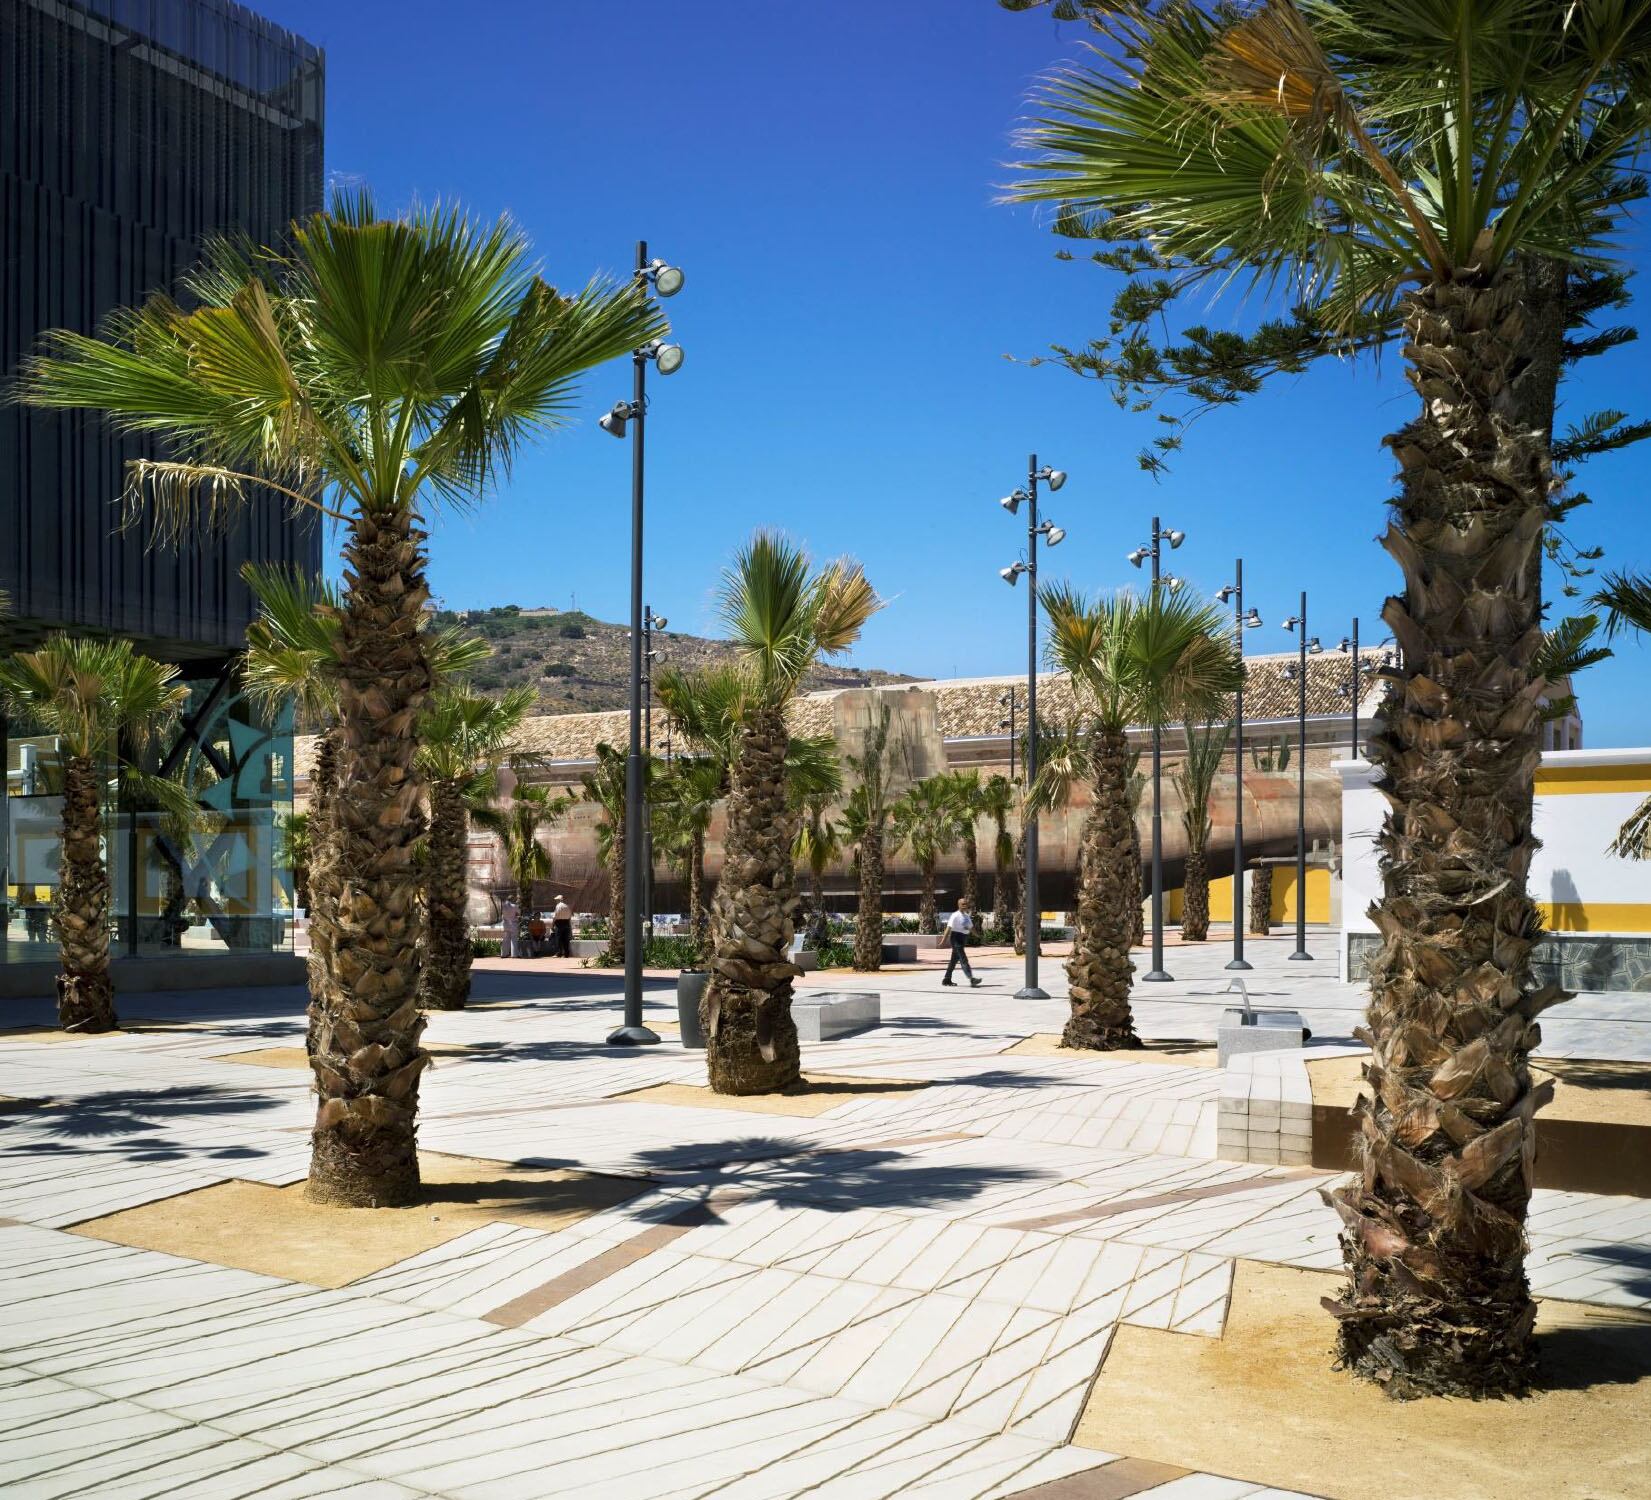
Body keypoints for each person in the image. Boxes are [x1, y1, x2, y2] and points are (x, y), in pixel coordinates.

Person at [941, 898, 982, 987]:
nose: (965, 906)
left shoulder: (967, 916)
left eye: (966, 904)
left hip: (963, 938)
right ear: (958, 905)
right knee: (963, 959)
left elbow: (971, 928)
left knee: (953, 961)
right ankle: (971, 979)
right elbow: (948, 928)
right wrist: (943, 941)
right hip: (956, 938)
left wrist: (978, 936)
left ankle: (947, 979)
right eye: (963, 904)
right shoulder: (955, 915)